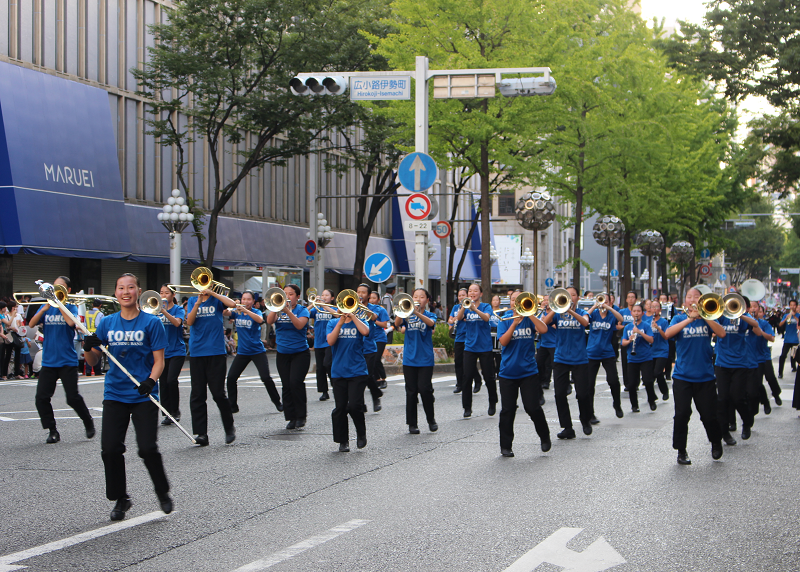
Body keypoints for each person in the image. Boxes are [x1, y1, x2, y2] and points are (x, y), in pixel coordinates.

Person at [83, 273, 172, 521]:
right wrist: (88, 346)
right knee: (110, 449)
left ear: (138, 291)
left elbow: (159, 361)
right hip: (115, 393)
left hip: (143, 394)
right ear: (115, 293)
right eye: (121, 288)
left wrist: (150, 381)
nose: (125, 292)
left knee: (147, 448)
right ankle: (121, 498)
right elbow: (93, 361)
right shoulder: (107, 323)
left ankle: (162, 490)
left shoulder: (151, 323)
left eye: (130, 287)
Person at [28, 276, 96, 444]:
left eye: (59, 288)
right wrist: (43, 309)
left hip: (67, 360)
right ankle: (52, 430)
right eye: (54, 287)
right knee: (41, 398)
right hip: (49, 361)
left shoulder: (71, 307)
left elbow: (71, 324)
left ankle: (87, 420)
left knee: (72, 398)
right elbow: (31, 324)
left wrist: (60, 305)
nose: (55, 290)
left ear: (68, 290)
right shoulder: (47, 308)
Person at [664, 288, 726, 465]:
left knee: (708, 415)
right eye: (689, 297)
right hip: (682, 375)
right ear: (684, 301)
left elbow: (721, 333)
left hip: (705, 376)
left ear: (701, 301)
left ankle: (715, 441)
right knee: (682, 414)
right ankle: (681, 450)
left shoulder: (708, 319)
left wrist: (704, 316)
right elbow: (668, 334)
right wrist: (690, 319)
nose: (692, 299)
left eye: (696, 297)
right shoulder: (678, 318)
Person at [497, 291, 551, 457]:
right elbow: (503, 342)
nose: (516, 302)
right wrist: (514, 323)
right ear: (511, 302)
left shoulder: (530, 317)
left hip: (528, 371)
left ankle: (544, 436)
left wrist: (530, 313)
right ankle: (506, 446)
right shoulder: (505, 319)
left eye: (519, 300)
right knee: (508, 410)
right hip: (508, 372)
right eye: (514, 300)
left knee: (532, 407)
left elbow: (543, 329)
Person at [185, 283, 237, 446]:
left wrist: (213, 294)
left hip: (215, 351)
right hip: (197, 352)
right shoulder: (193, 300)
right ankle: (201, 434)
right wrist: (198, 302)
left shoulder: (217, 300)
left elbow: (233, 305)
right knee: (198, 394)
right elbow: (189, 322)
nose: (202, 287)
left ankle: (229, 428)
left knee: (218, 393)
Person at [542, 286, 593, 438]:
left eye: (573, 295)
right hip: (561, 358)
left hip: (579, 359)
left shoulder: (582, 312)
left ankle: (585, 420)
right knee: (559, 394)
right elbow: (545, 322)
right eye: (567, 295)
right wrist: (556, 307)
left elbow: (585, 323)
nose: (570, 297)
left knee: (583, 394)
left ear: (577, 298)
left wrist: (570, 310)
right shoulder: (558, 314)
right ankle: (567, 428)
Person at [224, 290, 282, 414]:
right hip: (243, 352)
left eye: (248, 299)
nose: (245, 301)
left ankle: (277, 402)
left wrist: (246, 311)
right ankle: (232, 405)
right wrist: (233, 304)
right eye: (243, 299)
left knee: (265, 377)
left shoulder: (255, 311)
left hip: (257, 351)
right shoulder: (236, 312)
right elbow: (224, 311)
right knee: (231, 378)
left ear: (253, 302)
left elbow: (260, 320)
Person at [714, 298, 762, 444]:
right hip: (722, 363)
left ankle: (746, 422)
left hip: (740, 363)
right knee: (722, 399)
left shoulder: (744, 320)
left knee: (737, 398)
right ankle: (724, 432)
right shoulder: (721, 317)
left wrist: (739, 314)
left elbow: (755, 325)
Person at [266, 284, 311, 429]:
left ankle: (301, 416)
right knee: (286, 385)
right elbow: (269, 321)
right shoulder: (278, 309)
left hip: (300, 353)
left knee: (295, 383)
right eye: (285, 294)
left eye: (291, 294)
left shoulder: (302, 310)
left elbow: (299, 325)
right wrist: (276, 308)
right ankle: (290, 417)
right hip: (283, 352)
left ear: (297, 297)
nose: (287, 297)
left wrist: (288, 311)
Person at [327, 309, 372, 451]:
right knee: (340, 407)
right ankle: (343, 441)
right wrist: (340, 322)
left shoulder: (360, 321)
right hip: (338, 371)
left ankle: (361, 433)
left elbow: (365, 332)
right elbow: (330, 341)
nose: (345, 309)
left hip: (357, 370)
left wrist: (352, 317)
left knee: (354, 405)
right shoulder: (333, 322)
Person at [395, 288, 438, 434]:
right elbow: (397, 323)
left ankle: (431, 419)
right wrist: (404, 311)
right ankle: (412, 424)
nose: (418, 298)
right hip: (409, 358)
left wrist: (416, 312)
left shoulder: (430, 314)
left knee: (425, 390)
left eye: (422, 296)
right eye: (415, 296)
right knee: (411, 392)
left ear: (427, 300)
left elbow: (431, 324)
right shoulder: (407, 315)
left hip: (425, 358)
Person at [456, 283, 498, 418]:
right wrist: (465, 306)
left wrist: (475, 309)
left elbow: (486, 318)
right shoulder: (466, 306)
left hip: (485, 347)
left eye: (475, 291)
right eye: (470, 291)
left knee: (489, 377)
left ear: (480, 294)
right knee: (467, 377)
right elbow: (458, 318)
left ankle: (493, 402)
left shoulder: (486, 306)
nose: (472, 293)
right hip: (469, 347)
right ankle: (467, 407)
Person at [586, 297, 625, 419]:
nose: (603, 304)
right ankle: (590, 413)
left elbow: (621, 319)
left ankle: (617, 404)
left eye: (606, 301)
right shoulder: (594, 314)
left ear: (610, 303)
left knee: (613, 380)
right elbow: (585, 318)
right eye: (601, 301)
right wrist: (595, 306)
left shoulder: (611, 315)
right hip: (592, 352)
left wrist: (609, 308)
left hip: (607, 352)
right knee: (589, 384)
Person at [157, 284, 186, 425]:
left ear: (173, 295)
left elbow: (176, 323)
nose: (163, 295)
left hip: (176, 350)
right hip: (161, 351)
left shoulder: (178, 309)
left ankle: (175, 411)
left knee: (171, 380)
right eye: (161, 292)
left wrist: (163, 311)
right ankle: (167, 413)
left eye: (166, 293)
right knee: (162, 383)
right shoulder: (155, 310)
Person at [621, 303, 657, 413]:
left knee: (648, 380)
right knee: (631, 384)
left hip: (645, 357)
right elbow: (623, 342)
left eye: (638, 311)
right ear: (631, 313)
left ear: (642, 313)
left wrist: (640, 332)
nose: (636, 313)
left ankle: (651, 399)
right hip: (632, 358)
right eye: (634, 311)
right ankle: (634, 405)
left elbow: (651, 340)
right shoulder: (627, 327)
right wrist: (630, 340)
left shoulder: (646, 325)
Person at [355, 284, 384, 412]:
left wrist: (361, 306)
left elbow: (374, 317)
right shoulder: (351, 306)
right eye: (358, 292)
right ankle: (361, 403)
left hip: (369, 347)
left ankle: (375, 395)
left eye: (363, 292)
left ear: (368, 295)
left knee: (367, 375)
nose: (360, 294)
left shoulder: (375, 308)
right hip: (355, 347)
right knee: (357, 377)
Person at [449, 288, 482, 394]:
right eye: (459, 295)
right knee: (458, 362)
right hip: (458, 336)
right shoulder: (455, 307)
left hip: (468, 337)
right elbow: (450, 319)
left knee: (468, 363)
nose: (461, 297)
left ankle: (477, 380)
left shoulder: (469, 306)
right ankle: (459, 384)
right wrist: (452, 320)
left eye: (463, 295)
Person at [310, 289, 336, 401]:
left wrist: (325, 306)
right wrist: (313, 303)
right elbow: (305, 313)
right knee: (320, 368)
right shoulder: (316, 309)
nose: (324, 297)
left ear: (332, 298)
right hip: (318, 342)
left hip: (330, 341)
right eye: (323, 295)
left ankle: (336, 386)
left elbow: (336, 315)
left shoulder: (334, 308)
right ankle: (324, 391)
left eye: (327, 295)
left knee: (328, 364)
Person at [754, 305, 781, 407]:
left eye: (760, 311)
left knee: (770, 378)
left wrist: (760, 331)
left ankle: (776, 394)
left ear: (763, 313)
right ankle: (764, 401)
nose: (754, 310)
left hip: (764, 356)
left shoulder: (764, 324)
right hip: (752, 358)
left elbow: (772, 338)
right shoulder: (747, 323)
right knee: (757, 382)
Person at [369, 291, 390, 390]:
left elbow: (384, 325)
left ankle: (383, 378)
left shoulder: (381, 310)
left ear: (378, 300)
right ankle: (376, 379)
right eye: (370, 298)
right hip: (369, 337)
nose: (372, 300)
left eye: (374, 298)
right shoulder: (365, 309)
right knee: (371, 360)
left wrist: (373, 319)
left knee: (376, 359)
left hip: (380, 338)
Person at [650, 303, 671, 401]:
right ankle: (652, 395)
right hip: (650, 351)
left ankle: (665, 391)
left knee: (657, 372)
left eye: (656, 307)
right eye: (652, 307)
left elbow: (666, 336)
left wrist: (658, 328)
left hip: (662, 350)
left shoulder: (664, 322)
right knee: (649, 376)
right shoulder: (647, 321)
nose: (654, 309)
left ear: (660, 309)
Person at [618, 291, 638, 391]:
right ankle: (627, 383)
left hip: (637, 340)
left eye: (633, 297)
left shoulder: (639, 311)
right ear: (626, 300)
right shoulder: (622, 312)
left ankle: (635, 382)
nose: (630, 299)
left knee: (636, 361)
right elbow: (617, 325)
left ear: (636, 299)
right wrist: (625, 327)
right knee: (625, 362)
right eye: (629, 297)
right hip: (626, 339)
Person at [536, 294, 557, 391]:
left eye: (547, 300)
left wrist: (549, 322)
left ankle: (547, 382)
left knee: (552, 365)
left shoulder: (555, 313)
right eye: (544, 300)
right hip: (543, 343)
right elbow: (537, 328)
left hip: (553, 343)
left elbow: (557, 327)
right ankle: (541, 381)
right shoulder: (541, 312)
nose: (545, 302)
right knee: (539, 363)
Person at [778, 300, 799, 378]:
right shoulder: (786, 315)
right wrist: (786, 318)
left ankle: (794, 367)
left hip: (795, 340)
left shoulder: (798, 315)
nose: (792, 307)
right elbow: (780, 324)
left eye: (794, 305)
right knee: (783, 356)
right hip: (787, 340)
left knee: (794, 355)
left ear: (796, 306)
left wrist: (795, 317)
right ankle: (780, 372)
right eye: (791, 305)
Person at [84, 299, 105, 376]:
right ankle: (97, 371)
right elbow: (100, 325)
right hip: (96, 335)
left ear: (92, 305)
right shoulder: (100, 314)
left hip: (87, 335)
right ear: (100, 305)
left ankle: (88, 371)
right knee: (97, 352)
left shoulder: (86, 313)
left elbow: (84, 324)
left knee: (88, 352)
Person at [490, 294, 503, 380]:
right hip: (490, 334)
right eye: (493, 300)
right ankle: (492, 372)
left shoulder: (502, 312)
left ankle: (499, 372)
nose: (495, 302)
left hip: (498, 333)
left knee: (498, 356)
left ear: (499, 302)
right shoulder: (489, 311)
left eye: (497, 300)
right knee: (490, 356)